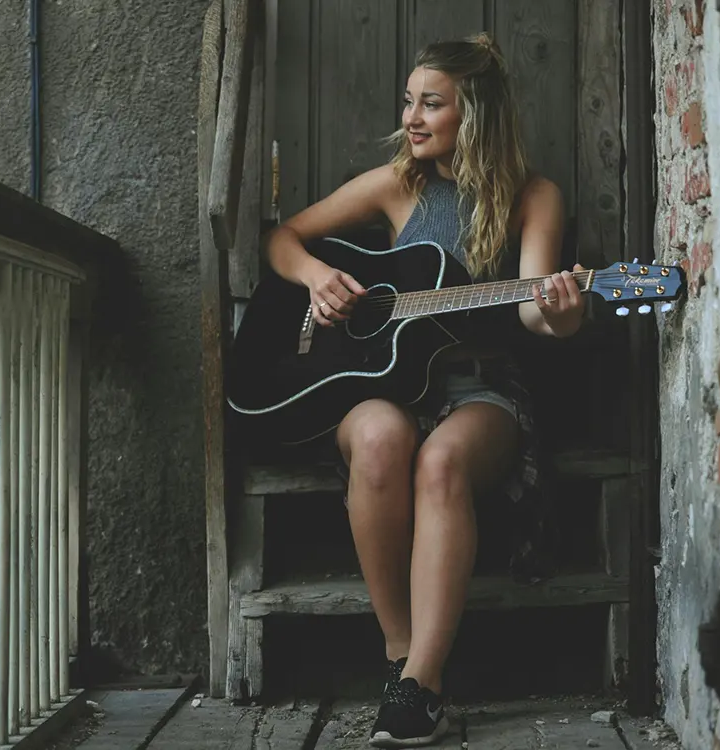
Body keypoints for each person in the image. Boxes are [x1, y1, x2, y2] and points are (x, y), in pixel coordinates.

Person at [263, 32, 586, 748]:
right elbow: (282, 238)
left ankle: (422, 687)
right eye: (409, 101)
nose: (411, 117)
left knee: (441, 462)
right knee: (380, 438)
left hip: (483, 387)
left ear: (476, 113)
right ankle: (399, 659)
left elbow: (535, 304)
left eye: (430, 104)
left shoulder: (534, 196)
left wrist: (561, 313)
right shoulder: (396, 184)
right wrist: (318, 279)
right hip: (380, 383)